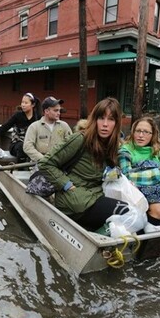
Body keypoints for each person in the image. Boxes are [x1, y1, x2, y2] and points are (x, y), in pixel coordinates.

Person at [38, 97, 129, 231]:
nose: (105, 124)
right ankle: (103, 241)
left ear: (117, 123)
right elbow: (45, 163)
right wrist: (66, 184)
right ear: (94, 120)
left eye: (111, 119)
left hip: (95, 195)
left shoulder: (114, 145)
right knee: (126, 212)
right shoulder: (79, 139)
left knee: (136, 210)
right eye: (101, 118)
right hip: (74, 200)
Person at [0, 92, 39, 162]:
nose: (23, 105)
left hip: (31, 144)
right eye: (22, 102)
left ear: (33, 105)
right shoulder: (17, 116)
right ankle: (21, 169)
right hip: (16, 144)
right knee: (22, 147)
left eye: (26, 103)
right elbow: (5, 127)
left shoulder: (38, 117)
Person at [23, 96, 72, 162]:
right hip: (40, 163)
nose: (59, 113)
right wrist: (43, 159)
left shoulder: (64, 126)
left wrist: (61, 159)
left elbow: (71, 145)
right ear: (46, 111)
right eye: (55, 110)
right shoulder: (34, 126)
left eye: (59, 110)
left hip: (60, 163)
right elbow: (27, 147)